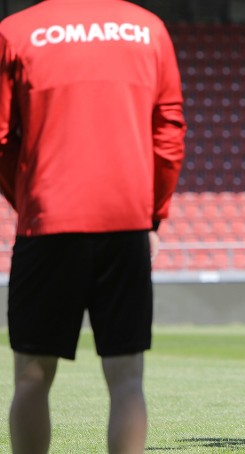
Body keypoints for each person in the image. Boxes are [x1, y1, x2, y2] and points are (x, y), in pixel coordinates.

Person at [0, 1, 185, 452]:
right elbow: (170, 134)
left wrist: (25, 199)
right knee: (126, 379)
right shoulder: (148, 29)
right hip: (125, 221)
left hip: (47, 223)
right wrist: (153, 215)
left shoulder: (16, 31)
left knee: (30, 377)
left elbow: (2, 138)